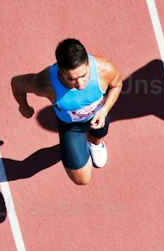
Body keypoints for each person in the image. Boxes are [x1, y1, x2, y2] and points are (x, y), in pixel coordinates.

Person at [11, 39, 123, 186]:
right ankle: (81, 147)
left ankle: (95, 144)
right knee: (82, 179)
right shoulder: (45, 83)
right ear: (60, 71)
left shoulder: (105, 69)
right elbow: (17, 83)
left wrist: (104, 110)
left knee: (98, 135)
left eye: (84, 75)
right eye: (72, 79)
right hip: (71, 127)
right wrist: (24, 107)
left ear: (89, 63)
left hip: (99, 115)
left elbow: (117, 84)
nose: (80, 84)